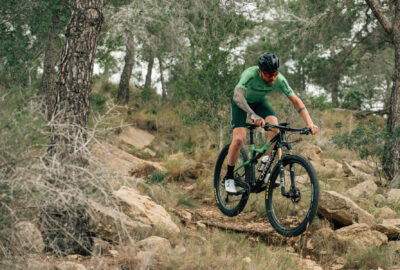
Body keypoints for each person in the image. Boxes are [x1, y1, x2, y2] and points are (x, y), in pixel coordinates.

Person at [224, 52, 319, 193]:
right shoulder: (250, 74)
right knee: (238, 139)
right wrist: (253, 115)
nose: (273, 77)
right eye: (268, 75)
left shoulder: (279, 78)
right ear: (260, 71)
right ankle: (229, 177)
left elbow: (296, 101)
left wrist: (310, 123)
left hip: (259, 102)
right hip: (241, 103)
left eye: (275, 74)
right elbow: (237, 96)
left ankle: (265, 163)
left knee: (275, 130)